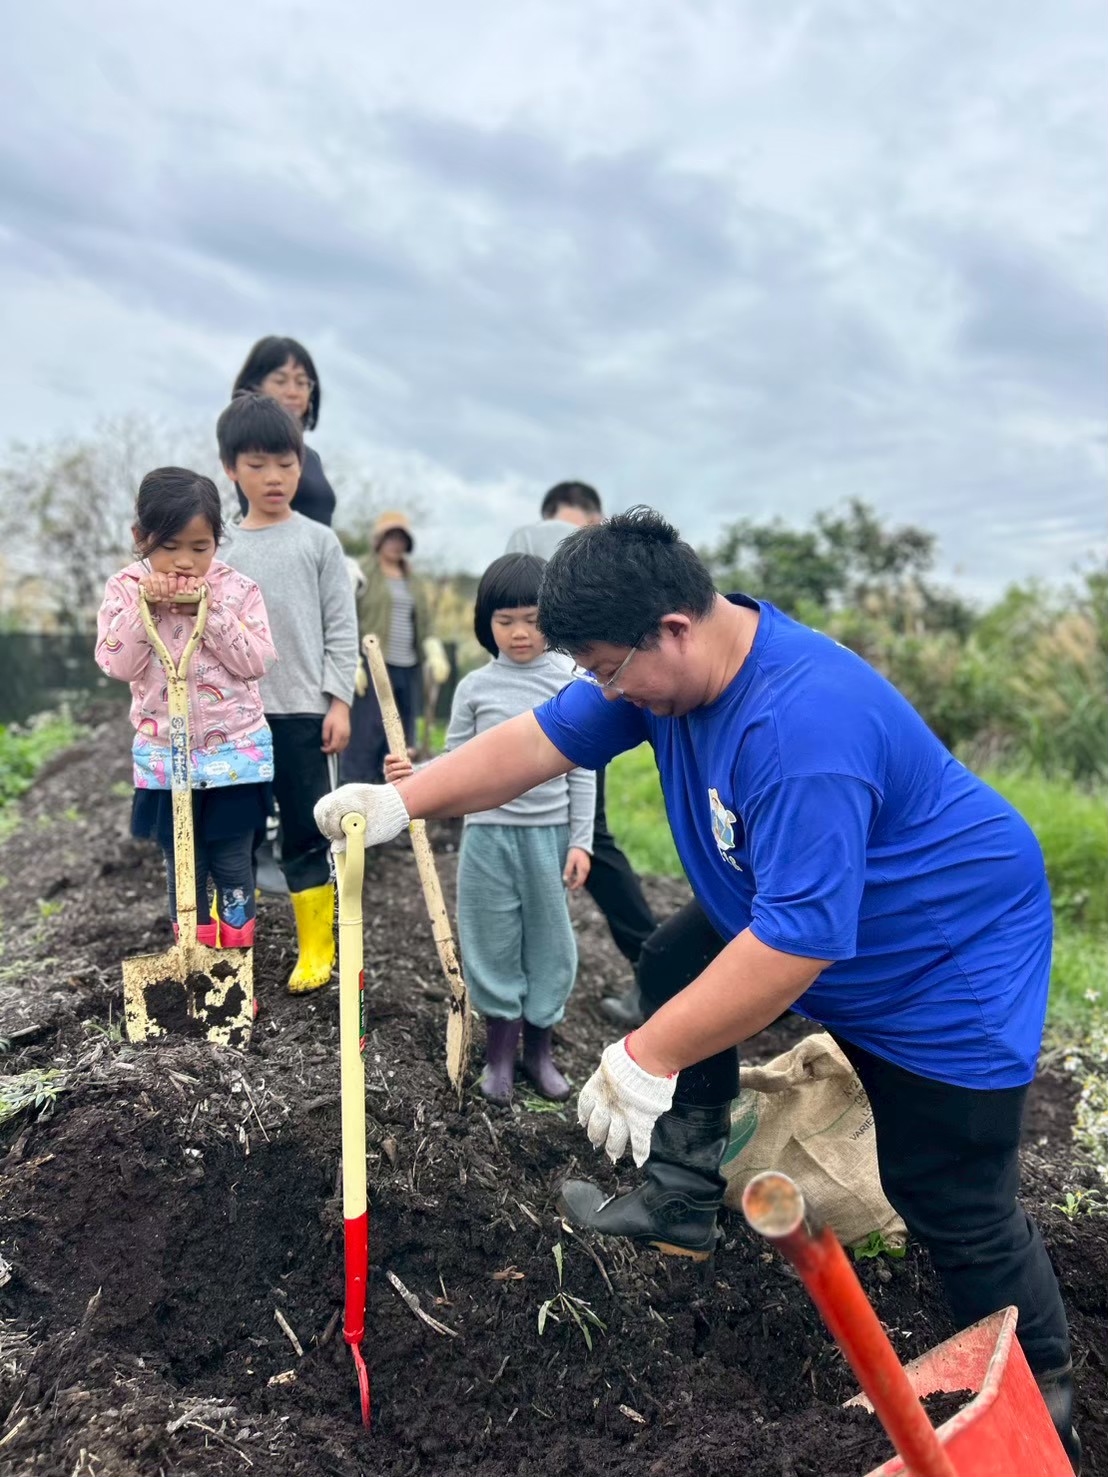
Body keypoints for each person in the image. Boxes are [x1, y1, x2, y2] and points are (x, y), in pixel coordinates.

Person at [315, 507, 1080, 1470]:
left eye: (605, 668)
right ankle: (681, 1194)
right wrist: (400, 798)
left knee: (948, 1189)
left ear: (671, 629)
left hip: (942, 957)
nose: (604, 688)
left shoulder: (805, 724)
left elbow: (796, 948)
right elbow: (533, 745)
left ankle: (1043, 1396)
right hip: (810, 907)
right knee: (679, 962)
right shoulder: (656, 671)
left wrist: (649, 1052)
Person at [385, 553, 595, 1105]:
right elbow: (458, 763)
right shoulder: (474, 688)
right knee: (490, 939)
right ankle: (499, 1053)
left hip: (548, 836)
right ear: (486, 623)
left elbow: (584, 770)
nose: (520, 633)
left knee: (550, 944)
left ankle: (539, 1052)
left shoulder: (573, 684)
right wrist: (415, 776)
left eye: (532, 618)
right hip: (487, 837)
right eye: (505, 621)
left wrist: (581, 840)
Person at [95, 468, 275, 949]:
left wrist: (210, 611)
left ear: (217, 540)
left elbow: (258, 660)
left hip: (235, 754)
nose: (184, 563)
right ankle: (193, 958)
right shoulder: (125, 589)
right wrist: (144, 609)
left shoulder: (238, 590)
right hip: (164, 754)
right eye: (170, 547)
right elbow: (116, 662)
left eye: (200, 548)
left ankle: (235, 967)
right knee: (182, 861)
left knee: (234, 860)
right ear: (141, 538)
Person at [218, 393, 358, 992]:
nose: (274, 477)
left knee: (305, 828)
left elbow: (340, 624)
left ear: (302, 463)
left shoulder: (319, 541)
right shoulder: (220, 545)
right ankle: (233, 944)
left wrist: (340, 700)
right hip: (234, 716)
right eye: (257, 465)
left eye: (287, 463)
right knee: (235, 835)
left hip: (303, 710)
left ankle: (315, 949)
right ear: (230, 469)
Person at [508, 482, 656, 1027]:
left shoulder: (531, 539)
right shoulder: (574, 546)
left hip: (575, 702)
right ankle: (662, 967)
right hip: (572, 699)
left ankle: (661, 969)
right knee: (592, 839)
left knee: (590, 839)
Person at [342, 510, 449, 784]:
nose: (396, 544)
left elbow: (424, 623)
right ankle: (358, 801)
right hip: (374, 667)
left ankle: (396, 806)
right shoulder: (362, 572)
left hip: (407, 668)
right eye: (390, 537)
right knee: (367, 738)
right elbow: (345, 615)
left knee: (401, 740)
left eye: (401, 539)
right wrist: (351, 660)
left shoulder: (412, 579)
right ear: (379, 540)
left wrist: (433, 650)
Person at [232, 336, 336, 526]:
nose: (293, 392)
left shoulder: (311, 457)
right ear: (254, 387)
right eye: (280, 381)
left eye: (301, 382)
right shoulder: (252, 446)